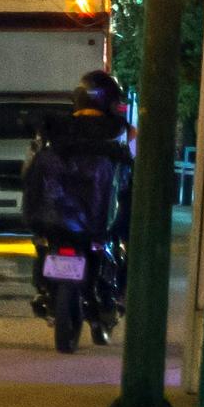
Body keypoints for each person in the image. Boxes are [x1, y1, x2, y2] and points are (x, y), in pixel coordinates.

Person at [23, 73, 135, 344]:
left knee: (43, 242)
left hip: (55, 214)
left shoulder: (55, 127)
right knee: (124, 244)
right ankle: (114, 297)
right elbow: (135, 163)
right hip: (97, 219)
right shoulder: (122, 130)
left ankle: (43, 289)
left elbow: (30, 169)